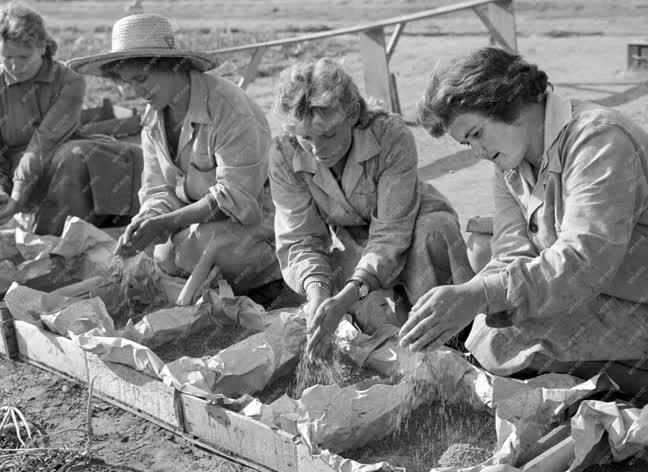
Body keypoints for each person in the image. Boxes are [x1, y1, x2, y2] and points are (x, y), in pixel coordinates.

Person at [401, 47, 648, 402]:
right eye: (466, 142)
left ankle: (632, 388)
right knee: (490, 324)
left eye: (476, 133)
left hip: (637, 298)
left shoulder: (598, 140)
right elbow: (512, 249)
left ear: (509, 102)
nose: (477, 152)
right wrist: (469, 298)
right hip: (604, 290)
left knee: (508, 333)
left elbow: (585, 259)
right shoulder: (512, 163)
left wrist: (482, 295)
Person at [270, 58, 474, 359]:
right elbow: (299, 238)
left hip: (413, 221)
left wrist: (352, 291)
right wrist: (318, 293)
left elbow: (391, 232)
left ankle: (458, 344)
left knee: (434, 238)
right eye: (306, 138)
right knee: (372, 328)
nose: (317, 150)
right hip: (354, 239)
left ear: (352, 114)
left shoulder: (391, 135)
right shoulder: (284, 154)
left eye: (328, 135)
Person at [69, 14, 281, 296]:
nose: (137, 91)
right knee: (164, 256)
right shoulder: (153, 119)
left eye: (142, 79)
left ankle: (265, 287)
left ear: (172, 65)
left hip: (259, 225)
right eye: (128, 83)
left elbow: (236, 199)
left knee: (213, 252)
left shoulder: (228, 108)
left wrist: (170, 222)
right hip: (197, 226)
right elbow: (159, 188)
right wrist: (146, 220)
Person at [0, 2, 142, 236]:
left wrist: (18, 191)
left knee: (77, 157)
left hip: (54, 155)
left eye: (24, 57)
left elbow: (45, 140)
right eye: (7, 57)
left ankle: (54, 241)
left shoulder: (69, 79)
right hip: (12, 169)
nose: (15, 66)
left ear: (43, 47)